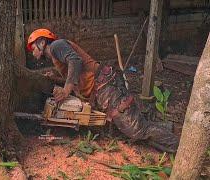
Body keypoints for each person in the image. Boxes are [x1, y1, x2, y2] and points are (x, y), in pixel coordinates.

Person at [27, 28, 179, 153]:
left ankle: (178, 146)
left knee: (136, 130)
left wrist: (66, 90)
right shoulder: (56, 54)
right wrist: (55, 78)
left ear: (42, 42)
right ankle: (165, 129)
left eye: (33, 48)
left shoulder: (55, 46)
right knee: (127, 127)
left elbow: (75, 61)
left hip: (105, 86)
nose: (32, 53)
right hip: (100, 89)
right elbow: (76, 74)